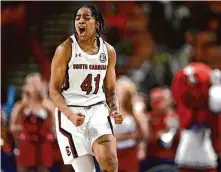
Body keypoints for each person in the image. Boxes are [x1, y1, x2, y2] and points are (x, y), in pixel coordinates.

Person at [49, 4, 123, 172]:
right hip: (71, 112)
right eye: (77, 18)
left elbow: (111, 91)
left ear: (97, 24)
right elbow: (53, 91)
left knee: (110, 163)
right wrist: (70, 115)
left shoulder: (108, 51)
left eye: (86, 17)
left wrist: (115, 110)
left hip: (97, 110)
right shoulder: (65, 49)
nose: (80, 21)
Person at [172, 62, 221, 172]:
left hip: (207, 144)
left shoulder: (212, 99)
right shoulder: (185, 107)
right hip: (189, 144)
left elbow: (216, 112)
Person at [10, 74, 55, 172]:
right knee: (22, 169)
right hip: (25, 142)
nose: (34, 87)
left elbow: (54, 126)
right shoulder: (21, 105)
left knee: (43, 169)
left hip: (43, 143)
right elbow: (12, 127)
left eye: (36, 83)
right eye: (31, 84)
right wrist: (26, 130)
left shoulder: (47, 104)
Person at [140, 87, 179, 172]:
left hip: (169, 160)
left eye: (160, 100)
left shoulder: (173, 117)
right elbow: (145, 138)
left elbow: (174, 140)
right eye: (154, 100)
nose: (157, 103)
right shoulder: (147, 117)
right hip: (150, 159)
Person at [112, 76, 142, 172]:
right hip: (113, 153)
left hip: (130, 152)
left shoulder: (135, 110)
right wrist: (128, 136)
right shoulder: (107, 111)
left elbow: (140, 134)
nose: (120, 94)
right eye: (118, 90)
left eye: (123, 91)